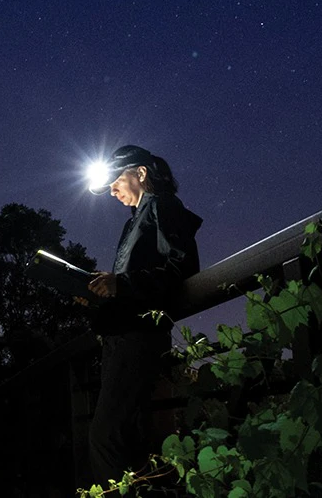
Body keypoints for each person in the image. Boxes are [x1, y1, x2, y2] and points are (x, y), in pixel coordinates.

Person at [82, 144, 203, 483]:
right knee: (127, 436)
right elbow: (131, 284)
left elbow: (183, 265)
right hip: (123, 336)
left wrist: (121, 284)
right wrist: (98, 293)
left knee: (105, 435)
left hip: (139, 337)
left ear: (141, 173)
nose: (111, 189)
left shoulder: (162, 206)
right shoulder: (136, 220)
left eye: (115, 180)